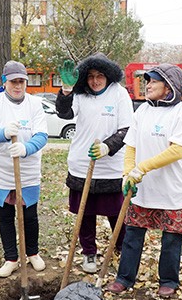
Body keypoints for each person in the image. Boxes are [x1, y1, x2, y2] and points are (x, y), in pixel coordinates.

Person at [106, 64, 182, 298]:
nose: (148, 85)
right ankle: (124, 278)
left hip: (172, 188)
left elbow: (177, 150)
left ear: (169, 88)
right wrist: (127, 173)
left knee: (171, 239)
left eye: (154, 81)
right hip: (143, 188)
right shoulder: (142, 111)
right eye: (147, 81)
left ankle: (168, 280)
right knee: (133, 234)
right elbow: (131, 146)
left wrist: (142, 168)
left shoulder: (181, 112)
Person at [55, 53, 134, 274]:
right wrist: (66, 91)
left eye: (100, 76)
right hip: (82, 164)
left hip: (111, 167)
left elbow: (127, 128)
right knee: (85, 213)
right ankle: (89, 252)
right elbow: (64, 113)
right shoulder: (81, 94)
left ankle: (122, 249)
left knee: (116, 212)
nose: (95, 81)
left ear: (108, 76)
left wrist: (108, 146)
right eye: (90, 76)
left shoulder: (119, 94)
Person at [0, 60, 48, 278]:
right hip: (0, 172)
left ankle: (33, 253)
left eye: (22, 81)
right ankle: (11, 258)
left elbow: (42, 135)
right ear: (5, 82)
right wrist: (3, 133)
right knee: (6, 216)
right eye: (13, 82)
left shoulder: (35, 104)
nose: (18, 86)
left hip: (27, 171)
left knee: (30, 216)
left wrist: (26, 148)